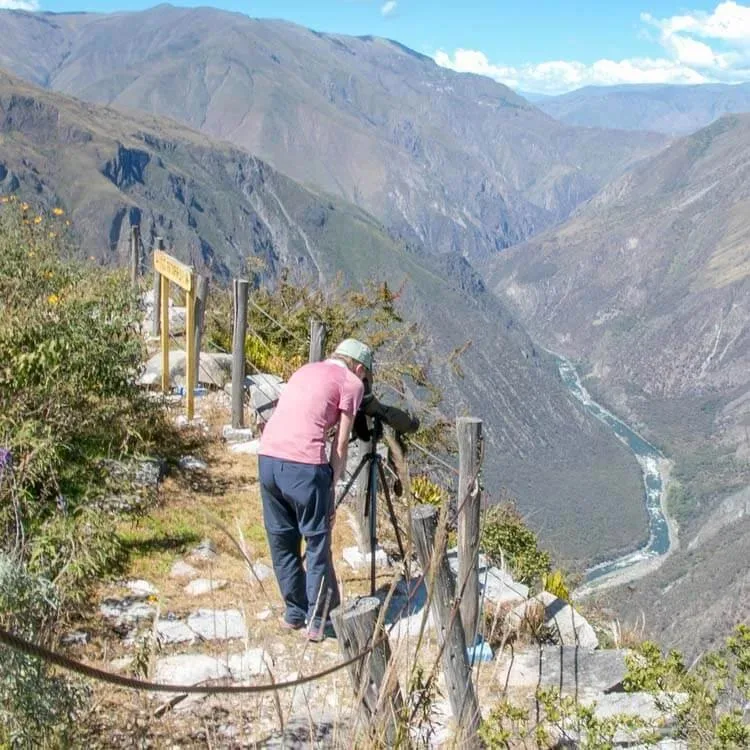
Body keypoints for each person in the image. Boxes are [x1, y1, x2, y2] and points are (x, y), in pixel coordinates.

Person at [257, 338, 373, 641]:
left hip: (268, 458)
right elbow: (342, 441)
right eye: (365, 376)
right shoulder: (351, 383)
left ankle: (294, 612)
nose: (363, 382)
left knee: (282, 540)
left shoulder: (304, 370)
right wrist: (331, 484)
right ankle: (318, 620)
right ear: (359, 368)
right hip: (304, 466)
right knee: (317, 542)